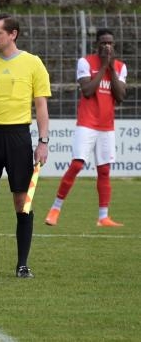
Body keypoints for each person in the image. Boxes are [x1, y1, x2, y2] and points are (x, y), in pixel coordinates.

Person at [0, 13, 51, 279]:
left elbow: (41, 106)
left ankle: (22, 264)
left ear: (12, 34)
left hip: (18, 137)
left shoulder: (33, 63)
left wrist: (43, 142)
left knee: (22, 202)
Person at [45, 29, 127, 227]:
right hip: (87, 123)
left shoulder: (121, 67)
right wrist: (103, 68)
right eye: (103, 43)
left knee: (104, 170)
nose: (107, 46)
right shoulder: (85, 62)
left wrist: (112, 70)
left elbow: (121, 95)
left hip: (107, 126)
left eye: (110, 43)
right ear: (97, 45)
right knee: (77, 165)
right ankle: (55, 209)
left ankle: (103, 217)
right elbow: (88, 91)